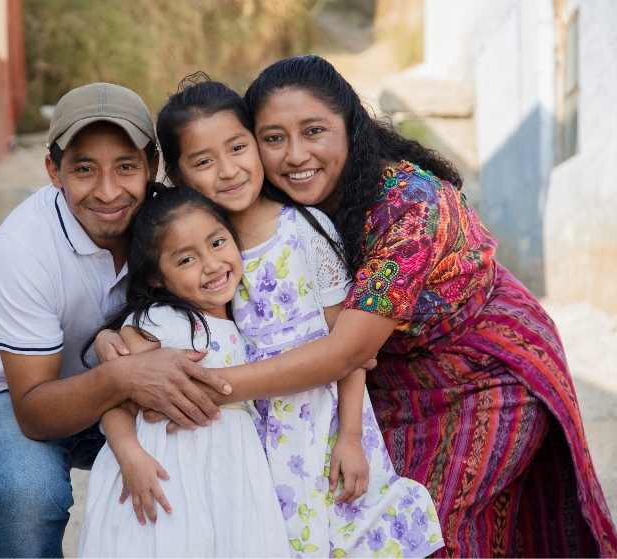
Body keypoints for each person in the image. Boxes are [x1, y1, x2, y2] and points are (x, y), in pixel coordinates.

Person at [235, 54, 617, 557]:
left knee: (420, 531)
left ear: (351, 129)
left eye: (314, 131)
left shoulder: (411, 209)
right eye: (273, 138)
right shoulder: (276, 207)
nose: (295, 155)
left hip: (486, 375)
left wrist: (209, 387)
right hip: (394, 389)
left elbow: (345, 351)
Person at [98, 77, 445, 557]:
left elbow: (346, 348)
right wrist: (111, 343)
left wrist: (349, 436)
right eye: (202, 161)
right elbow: (152, 338)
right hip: (250, 437)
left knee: (340, 534)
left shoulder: (305, 229)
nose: (227, 170)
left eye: (238, 147)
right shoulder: (197, 253)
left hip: (318, 426)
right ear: (177, 176)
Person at [0, 83, 236, 558]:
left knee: (216, 455)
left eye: (126, 167)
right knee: (28, 493)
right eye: (84, 169)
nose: (109, 192)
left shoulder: (169, 222)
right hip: (35, 399)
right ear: (54, 170)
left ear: (152, 165)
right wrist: (125, 374)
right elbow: (33, 411)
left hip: (138, 392)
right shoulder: (22, 246)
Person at [78, 186, 290, 557]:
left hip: (233, 474)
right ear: (157, 278)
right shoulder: (163, 322)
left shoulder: (250, 312)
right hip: (166, 473)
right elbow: (116, 404)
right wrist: (131, 456)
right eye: (186, 260)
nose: (211, 264)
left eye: (218, 242)